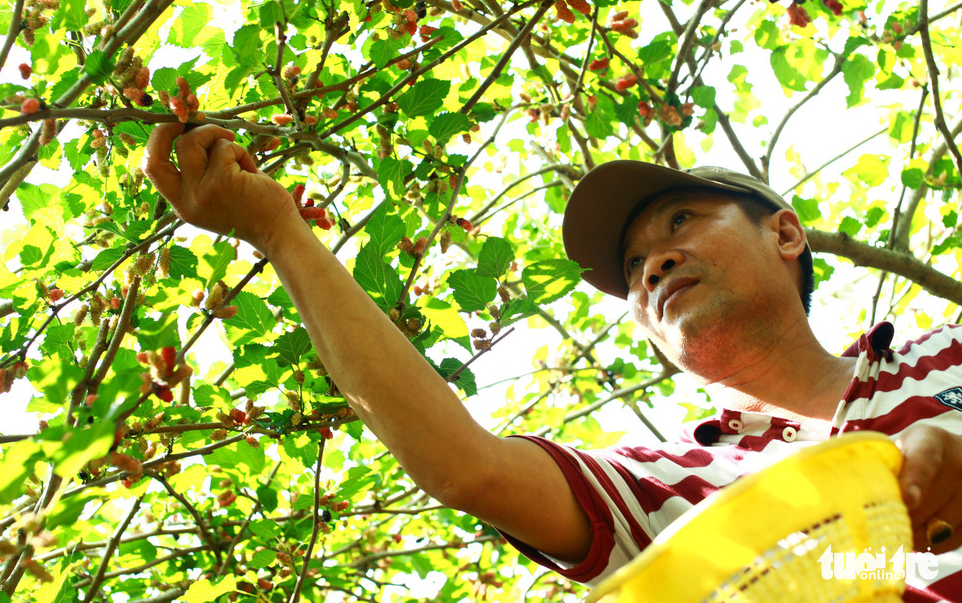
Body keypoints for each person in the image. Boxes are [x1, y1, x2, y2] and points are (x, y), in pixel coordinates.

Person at [143, 124, 962, 601]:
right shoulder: (662, 488)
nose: (653, 264)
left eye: (681, 220)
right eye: (633, 268)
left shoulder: (946, 353)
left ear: (784, 235)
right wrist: (282, 234)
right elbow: (471, 470)